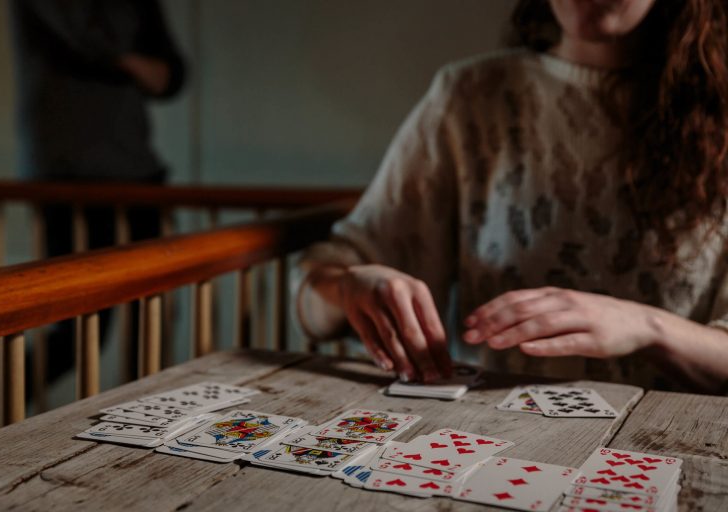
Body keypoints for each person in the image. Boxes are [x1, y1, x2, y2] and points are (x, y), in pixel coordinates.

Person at [294, 0, 728, 394]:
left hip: (670, 445)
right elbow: (316, 296)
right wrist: (349, 287)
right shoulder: (469, 95)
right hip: (486, 433)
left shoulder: (719, 112)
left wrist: (647, 327)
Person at [5, 0, 185, 411]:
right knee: (77, 332)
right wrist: (137, 64)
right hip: (70, 177)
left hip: (138, 173)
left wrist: (133, 64)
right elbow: (92, 44)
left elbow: (173, 75)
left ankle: (150, 422)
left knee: (152, 325)